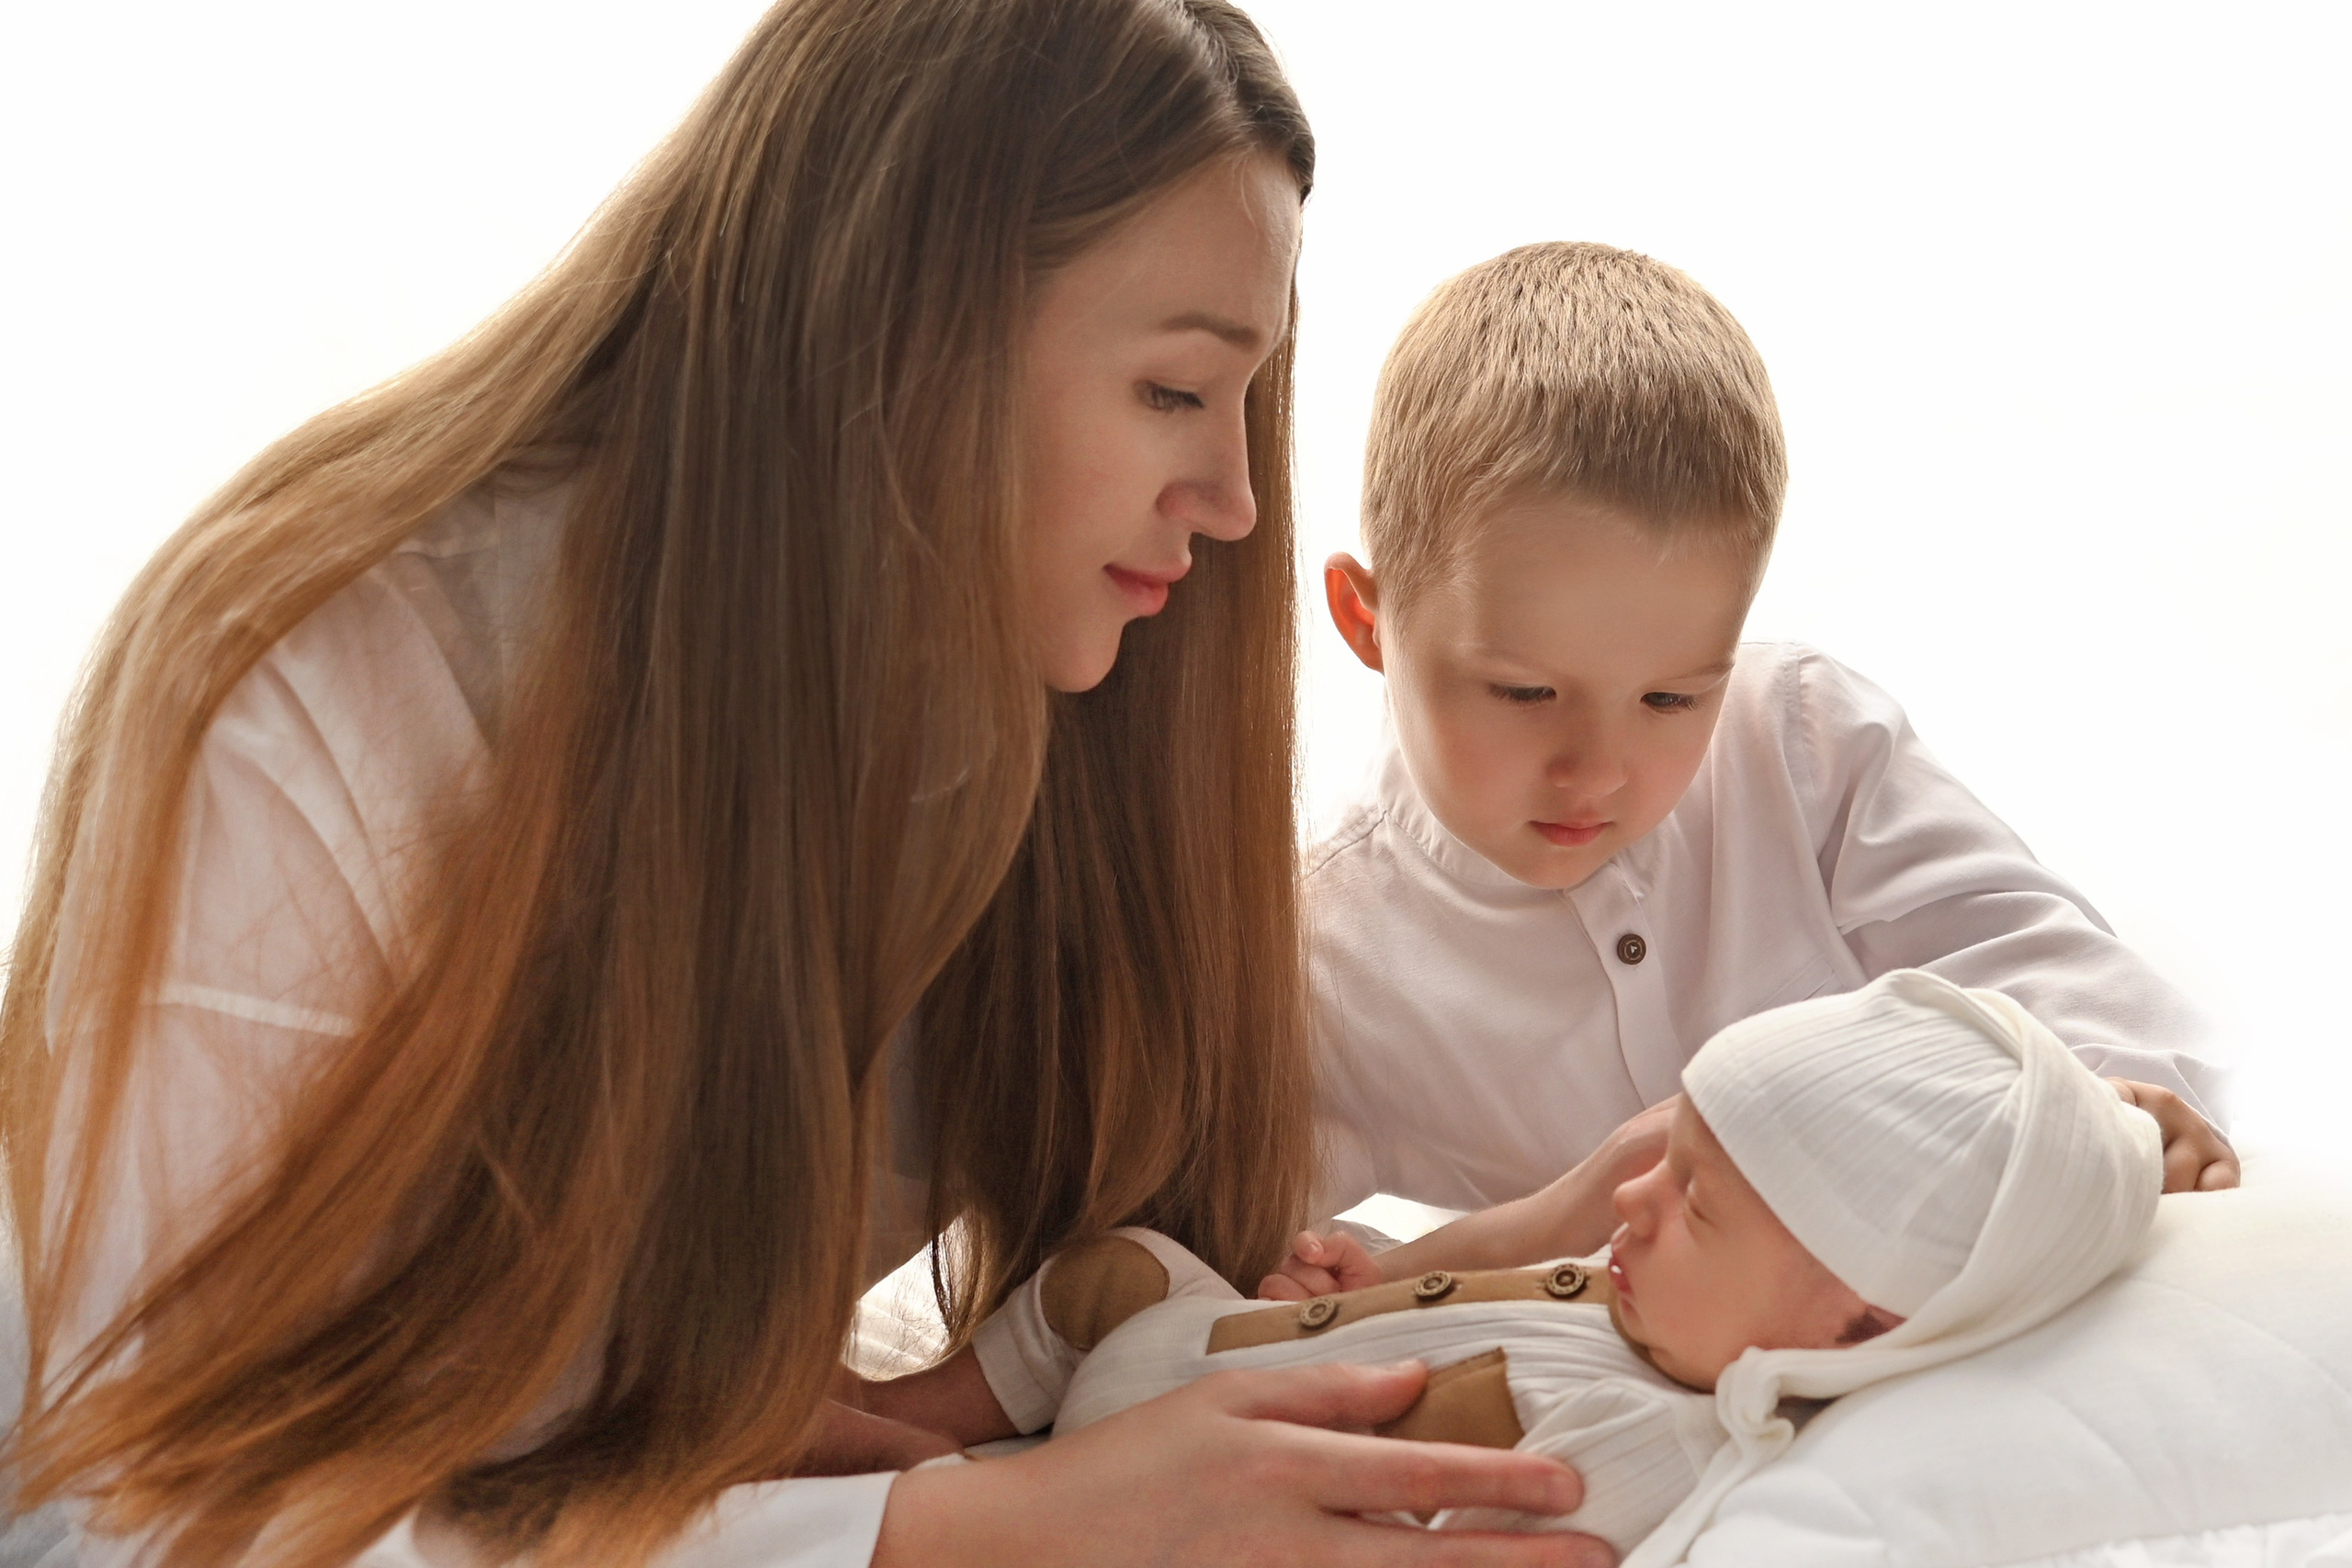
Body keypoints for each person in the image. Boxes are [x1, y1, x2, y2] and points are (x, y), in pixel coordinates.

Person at [0, 5, 1606, 1566]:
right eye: (1176, 392)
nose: (1240, 497)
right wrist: (939, 1532)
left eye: (1246, 401)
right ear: (898, 335)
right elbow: (141, 1508)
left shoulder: (1008, 707)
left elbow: (1047, 1309)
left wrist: (1477, 1266)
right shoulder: (335, 683)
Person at [1292, 241, 2233, 1278]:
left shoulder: (1803, 747)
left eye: (1669, 697)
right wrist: (1557, 1219)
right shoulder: (1320, 955)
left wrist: (2076, 1105)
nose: (1595, 772)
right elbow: (1250, 1279)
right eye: (1524, 693)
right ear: (1366, 622)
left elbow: (2118, 1040)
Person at [842, 970, 2165, 1564]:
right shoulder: (1666, 1306)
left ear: (1856, 1320)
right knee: (1121, 1263)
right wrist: (1351, 1290)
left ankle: (930, 1481)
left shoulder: (1636, 1446)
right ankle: (919, 1423)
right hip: (1198, 1340)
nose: (1630, 1197)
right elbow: (1452, 1310)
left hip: (1179, 1492)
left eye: (1694, 1198)